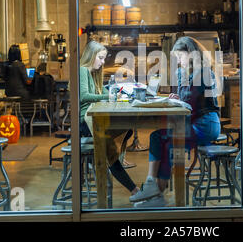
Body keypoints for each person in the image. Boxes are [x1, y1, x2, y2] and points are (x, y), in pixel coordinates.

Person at [129, 36, 221, 207]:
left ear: (191, 54)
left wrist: (178, 101)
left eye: (180, 56)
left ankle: (155, 194)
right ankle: (153, 190)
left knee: (166, 141)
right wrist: (177, 97)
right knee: (159, 137)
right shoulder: (187, 73)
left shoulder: (203, 72)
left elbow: (192, 104)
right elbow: (188, 100)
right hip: (193, 121)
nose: (178, 61)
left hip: (206, 124)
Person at [79, 40, 140, 198]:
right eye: (100, 57)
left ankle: (113, 160)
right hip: (85, 121)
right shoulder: (82, 70)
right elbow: (84, 96)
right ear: (91, 56)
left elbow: (96, 92)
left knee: (127, 130)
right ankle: (133, 188)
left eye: (104, 58)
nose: (103, 61)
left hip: (94, 116)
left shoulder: (92, 74)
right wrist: (110, 95)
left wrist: (112, 89)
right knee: (110, 148)